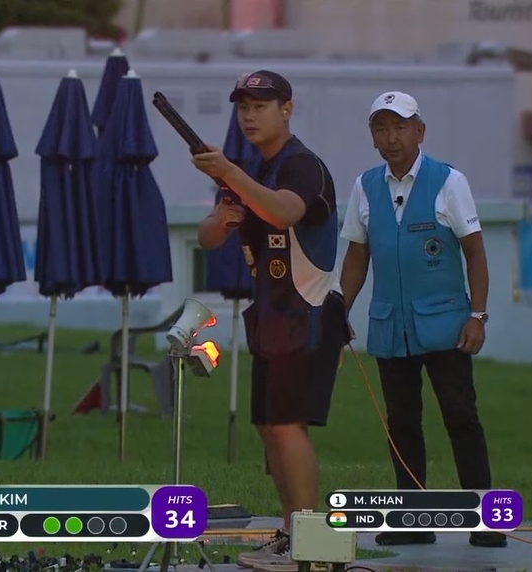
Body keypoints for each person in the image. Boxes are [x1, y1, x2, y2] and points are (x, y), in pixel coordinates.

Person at [192, 70, 349, 570]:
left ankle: (314, 542)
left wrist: (231, 175)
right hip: (271, 315)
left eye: (260, 105)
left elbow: (284, 213)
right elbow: (207, 239)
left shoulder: (302, 165)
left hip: (309, 312)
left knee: (286, 426)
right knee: (267, 426)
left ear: (287, 108)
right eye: (242, 107)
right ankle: (289, 532)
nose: (249, 115)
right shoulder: (254, 172)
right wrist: (222, 217)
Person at [338, 91, 505, 548]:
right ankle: (413, 520)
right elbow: (356, 255)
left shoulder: (448, 181)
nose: (390, 138)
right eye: (380, 128)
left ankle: (485, 521)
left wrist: (478, 315)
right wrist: (340, 309)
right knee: (402, 422)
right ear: (372, 136)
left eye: (399, 127)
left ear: (419, 131)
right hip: (391, 327)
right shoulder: (365, 186)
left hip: (446, 325)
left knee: (460, 417)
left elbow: (475, 253)